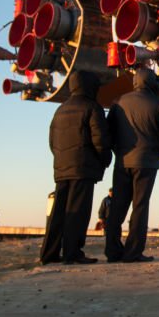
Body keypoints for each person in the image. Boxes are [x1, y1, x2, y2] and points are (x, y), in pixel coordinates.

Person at [104, 67, 159, 262]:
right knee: (140, 206)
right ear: (152, 82)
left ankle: (112, 251)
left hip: (123, 161)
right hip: (147, 162)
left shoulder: (119, 102)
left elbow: (108, 132)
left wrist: (118, 151)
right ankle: (133, 252)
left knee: (118, 207)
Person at [39, 70, 110, 265]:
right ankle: (72, 252)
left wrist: (61, 158)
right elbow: (100, 140)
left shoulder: (60, 109)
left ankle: (49, 253)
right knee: (78, 212)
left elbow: (52, 141)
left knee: (59, 213)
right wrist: (105, 159)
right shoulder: (92, 107)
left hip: (62, 167)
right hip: (83, 168)